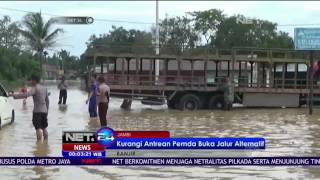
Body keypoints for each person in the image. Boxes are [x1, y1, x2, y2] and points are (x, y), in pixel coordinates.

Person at [9, 74, 49, 141]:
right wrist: (47, 110)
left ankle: (38, 144)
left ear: (34, 80)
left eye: (31, 80)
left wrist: (14, 95)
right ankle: (46, 143)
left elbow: (26, 94)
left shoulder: (35, 88)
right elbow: (47, 101)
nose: (30, 82)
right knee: (44, 127)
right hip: (44, 111)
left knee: (38, 128)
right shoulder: (44, 88)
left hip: (37, 111)